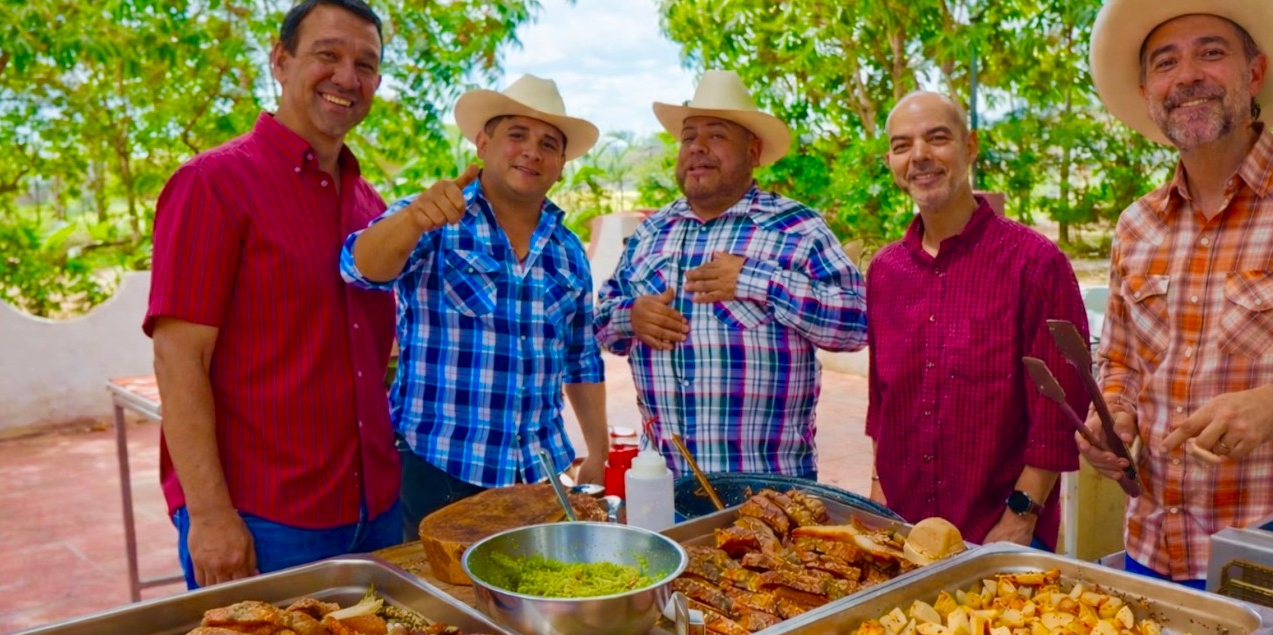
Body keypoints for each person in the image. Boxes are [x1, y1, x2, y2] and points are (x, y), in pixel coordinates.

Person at [145, 0, 401, 589]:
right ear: (280, 62)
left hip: (378, 514)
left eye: (365, 64)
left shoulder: (371, 209)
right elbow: (178, 357)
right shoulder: (213, 184)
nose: (346, 77)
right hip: (266, 520)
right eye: (327, 55)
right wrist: (210, 518)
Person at [341, 75, 608, 541]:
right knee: (439, 606)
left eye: (549, 143)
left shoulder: (567, 249)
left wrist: (598, 449)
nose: (532, 151)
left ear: (562, 166)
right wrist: (413, 221)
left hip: (538, 473)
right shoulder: (434, 217)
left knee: (529, 601)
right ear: (483, 143)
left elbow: (581, 357)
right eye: (516, 135)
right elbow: (358, 268)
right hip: (438, 467)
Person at [595, 70, 867, 481]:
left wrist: (756, 280)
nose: (697, 148)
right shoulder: (651, 233)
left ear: (753, 152)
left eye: (717, 136)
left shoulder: (798, 228)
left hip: (771, 493)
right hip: (664, 491)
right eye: (689, 137)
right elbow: (602, 321)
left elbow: (857, 322)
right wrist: (630, 317)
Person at [1083, 0, 1273, 587]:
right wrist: (1111, 415)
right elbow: (1118, 361)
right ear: (1148, 92)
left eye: (1211, 52)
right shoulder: (1136, 225)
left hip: (1260, 544)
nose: (1187, 74)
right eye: (1166, 62)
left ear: (1255, 73)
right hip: (1152, 543)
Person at [867, 91, 1090, 549]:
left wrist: (1020, 517)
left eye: (937, 138)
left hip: (1000, 532)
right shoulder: (885, 272)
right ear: (890, 159)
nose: (921, 156)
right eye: (903, 145)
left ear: (970, 147)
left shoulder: (1035, 263)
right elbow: (882, 397)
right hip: (904, 529)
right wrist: (878, 487)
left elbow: (1058, 410)